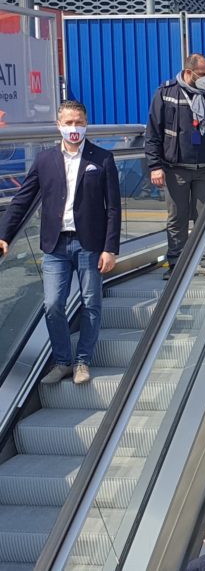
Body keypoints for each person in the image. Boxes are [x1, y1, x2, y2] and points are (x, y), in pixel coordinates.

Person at [0, 100, 121, 386]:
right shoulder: (45, 160)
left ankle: (82, 361)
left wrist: (110, 248)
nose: (74, 127)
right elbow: (22, 199)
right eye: (68, 123)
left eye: (79, 122)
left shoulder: (102, 159)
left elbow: (114, 208)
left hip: (90, 244)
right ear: (58, 126)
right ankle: (63, 361)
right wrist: (4, 234)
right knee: (53, 304)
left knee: (91, 303)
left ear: (86, 124)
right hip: (55, 245)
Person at [146, 53, 205, 280]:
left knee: (204, 218)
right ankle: (176, 263)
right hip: (176, 168)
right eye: (202, 74)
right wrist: (155, 165)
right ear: (188, 72)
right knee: (177, 218)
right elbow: (153, 133)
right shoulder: (166, 93)